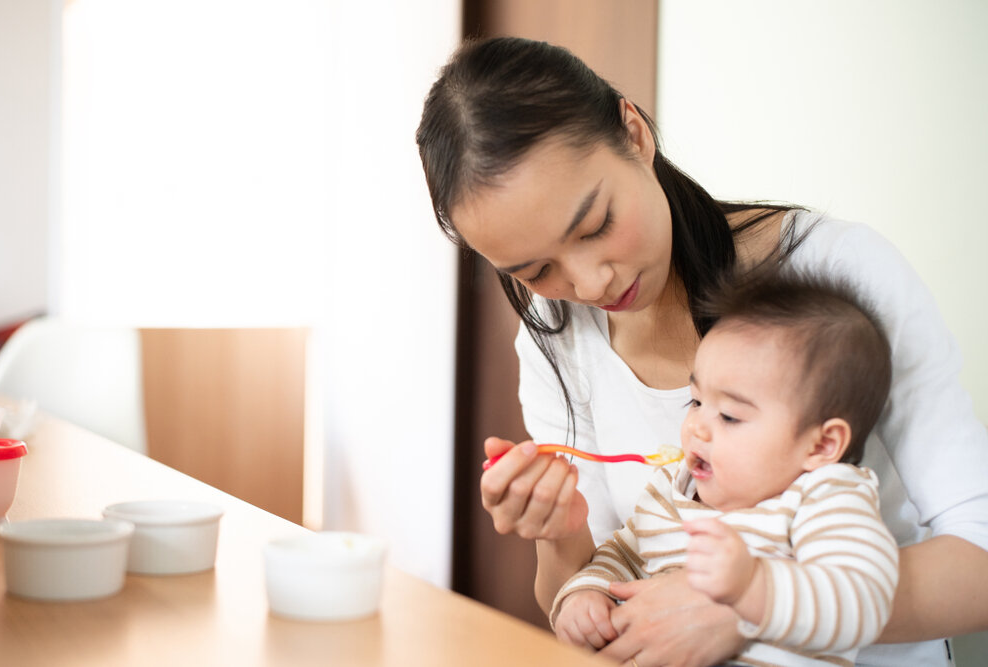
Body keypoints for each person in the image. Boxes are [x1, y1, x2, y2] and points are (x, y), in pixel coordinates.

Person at [415, 36, 988, 667]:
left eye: (596, 224)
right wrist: (561, 534)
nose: (590, 283)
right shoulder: (555, 339)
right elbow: (596, 594)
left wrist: (748, 610)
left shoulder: (838, 277)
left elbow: (981, 559)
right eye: (535, 268)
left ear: (633, 133)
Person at [552, 273, 899, 667]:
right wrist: (586, 595)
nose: (697, 426)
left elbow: (863, 602)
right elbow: (621, 557)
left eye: (730, 416)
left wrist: (754, 587)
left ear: (820, 445)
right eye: (696, 402)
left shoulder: (826, 497)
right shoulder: (673, 489)